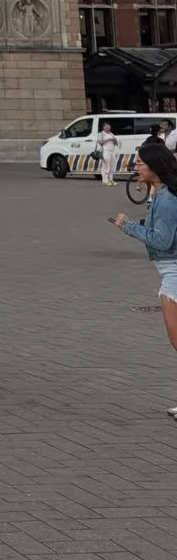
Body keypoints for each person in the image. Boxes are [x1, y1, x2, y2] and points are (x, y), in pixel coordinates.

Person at [113, 138, 177, 416]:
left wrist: (128, 227)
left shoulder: (166, 197)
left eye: (140, 162)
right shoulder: (161, 192)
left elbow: (162, 240)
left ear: (155, 166)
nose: (135, 166)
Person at [96, 120, 119, 186]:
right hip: (105, 151)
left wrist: (115, 141)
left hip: (112, 151)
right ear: (103, 127)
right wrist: (108, 139)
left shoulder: (111, 134)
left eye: (108, 126)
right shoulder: (101, 134)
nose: (107, 127)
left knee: (112, 165)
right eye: (106, 126)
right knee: (106, 165)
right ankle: (105, 180)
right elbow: (100, 142)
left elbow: (116, 143)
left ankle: (111, 179)